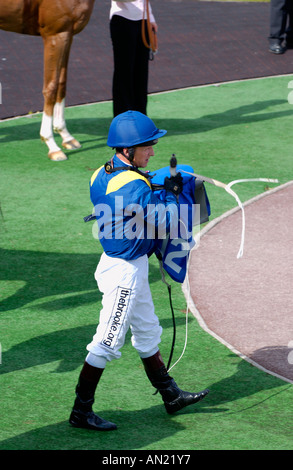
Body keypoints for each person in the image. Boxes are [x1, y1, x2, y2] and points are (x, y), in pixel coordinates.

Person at [69, 111, 209, 431]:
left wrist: (152, 185)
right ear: (128, 150)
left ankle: (171, 395)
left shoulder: (100, 173)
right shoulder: (133, 183)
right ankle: (81, 411)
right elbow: (163, 220)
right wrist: (173, 193)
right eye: (148, 146)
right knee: (107, 341)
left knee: (147, 331)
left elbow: (126, 203)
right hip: (125, 274)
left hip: (125, 263)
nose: (153, 152)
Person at [110, 0, 157, 116]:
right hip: (122, 20)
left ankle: (140, 116)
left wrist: (150, 17)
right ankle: (123, 118)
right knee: (124, 72)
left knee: (141, 72)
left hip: (143, 21)